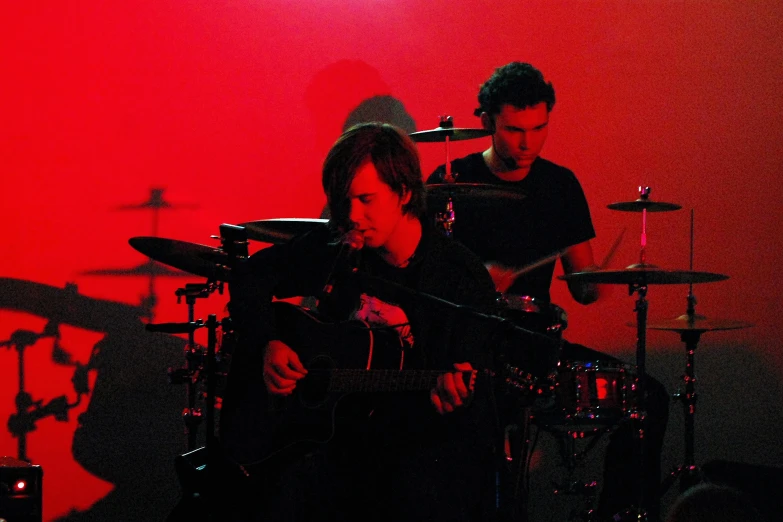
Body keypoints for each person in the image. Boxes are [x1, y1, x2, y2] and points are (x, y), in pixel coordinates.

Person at [218, 122, 510, 522]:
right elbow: (250, 276)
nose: (353, 215)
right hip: (335, 454)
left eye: (367, 199)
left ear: (404, 192)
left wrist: (451, 394)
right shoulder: (340, 247)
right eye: (345, 202)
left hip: (410, 458)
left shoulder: (458, 277)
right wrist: (267, 341)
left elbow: (470, 395)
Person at [426, 62, 670, 521]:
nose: (527, 143)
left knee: (648, 399)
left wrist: (602, 279)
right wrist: (480, 279)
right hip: (467, 353)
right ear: (487, 122)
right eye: (514, 130)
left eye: (539, 129)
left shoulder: (559, 186)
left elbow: (584, 291)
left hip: (537, 348)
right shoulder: (449, 185)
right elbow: (414, 278)